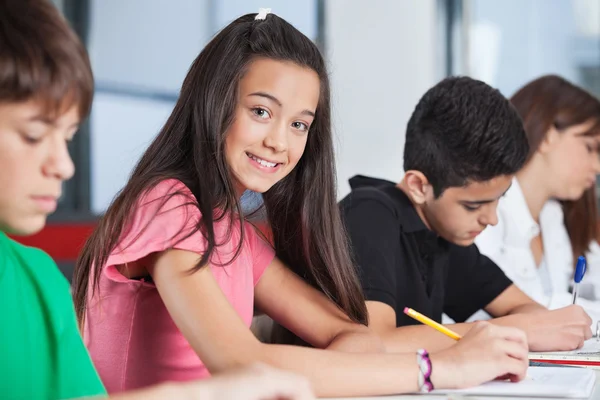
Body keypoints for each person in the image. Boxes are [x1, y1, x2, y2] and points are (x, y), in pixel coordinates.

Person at [72, 11, 529, 398]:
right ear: (215, 103)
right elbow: (242, 365)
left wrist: (357, 361)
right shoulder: (169, 207)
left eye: (299, 124)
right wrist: (441, 368)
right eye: (261, 112)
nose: (278, 142)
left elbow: (350, 334)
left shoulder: (234, 231)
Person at [0, 1, 315, 399]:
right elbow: (240, 362)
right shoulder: (170, 207)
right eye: (32, 135)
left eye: (67, 138)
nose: (64, 166)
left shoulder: (40, 279)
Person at [340, 76, 593, 355]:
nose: (492, 218)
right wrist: (517, 329)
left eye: (500, 199)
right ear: (419, 186)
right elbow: (374, 343)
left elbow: (527, 312)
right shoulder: (369, 213)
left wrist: (531, 324)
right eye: (473, 206)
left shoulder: (444, 237)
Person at [475, 75, 600, 319]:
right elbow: (523, 311)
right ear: (547, 136)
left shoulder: (553, 216)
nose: (597, 167)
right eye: (590, 147)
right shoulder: (483, 213)